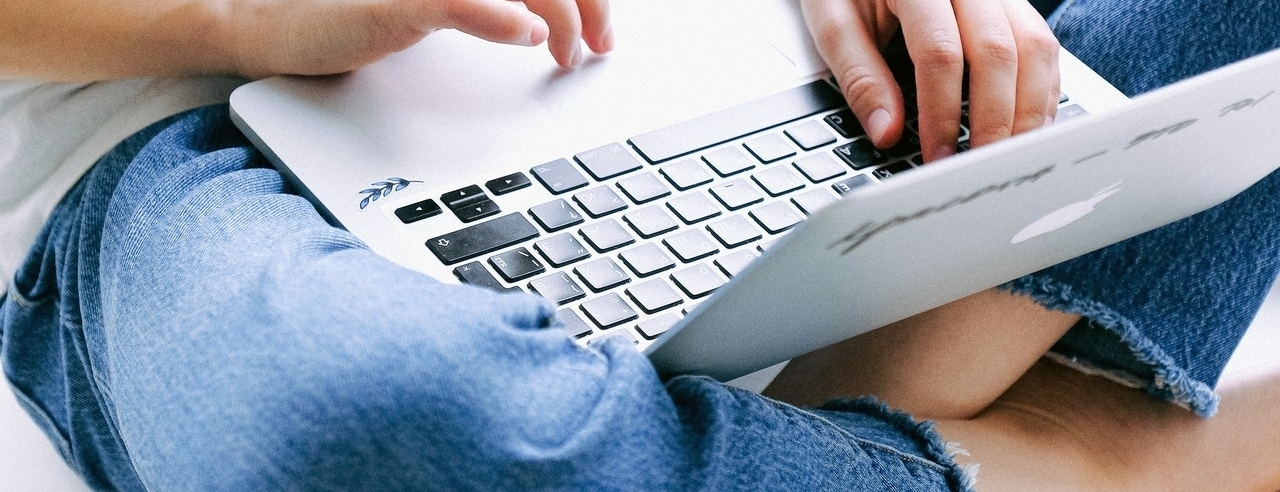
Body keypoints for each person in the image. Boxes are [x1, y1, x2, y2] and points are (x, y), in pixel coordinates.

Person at [2, 0, 1278, 490]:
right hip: (182, 140)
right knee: (385, 420)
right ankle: (1072, 456)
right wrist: (241, 12)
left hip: (722, 54)